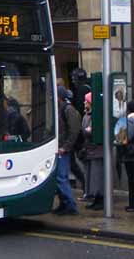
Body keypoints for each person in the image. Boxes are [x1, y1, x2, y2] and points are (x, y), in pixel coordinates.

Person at [54, 86, 81, 215]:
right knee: (57, 178)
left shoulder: (68, 110)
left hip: (63, 149)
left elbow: (74, 131)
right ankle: (63, 203)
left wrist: (65, 147)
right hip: (57, 148)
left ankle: (70, 205)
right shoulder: (58, 109)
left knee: (61, 177)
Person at [81, 92, 104, 210]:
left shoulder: (96, 116)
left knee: (97, 176)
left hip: (96, 150)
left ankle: (99, 198)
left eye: (86, 101)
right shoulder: (86, 115)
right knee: (91, 176)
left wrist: (87, 131)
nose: (84, 103)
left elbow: (91, 131)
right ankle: (94, 197)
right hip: (89, 150)